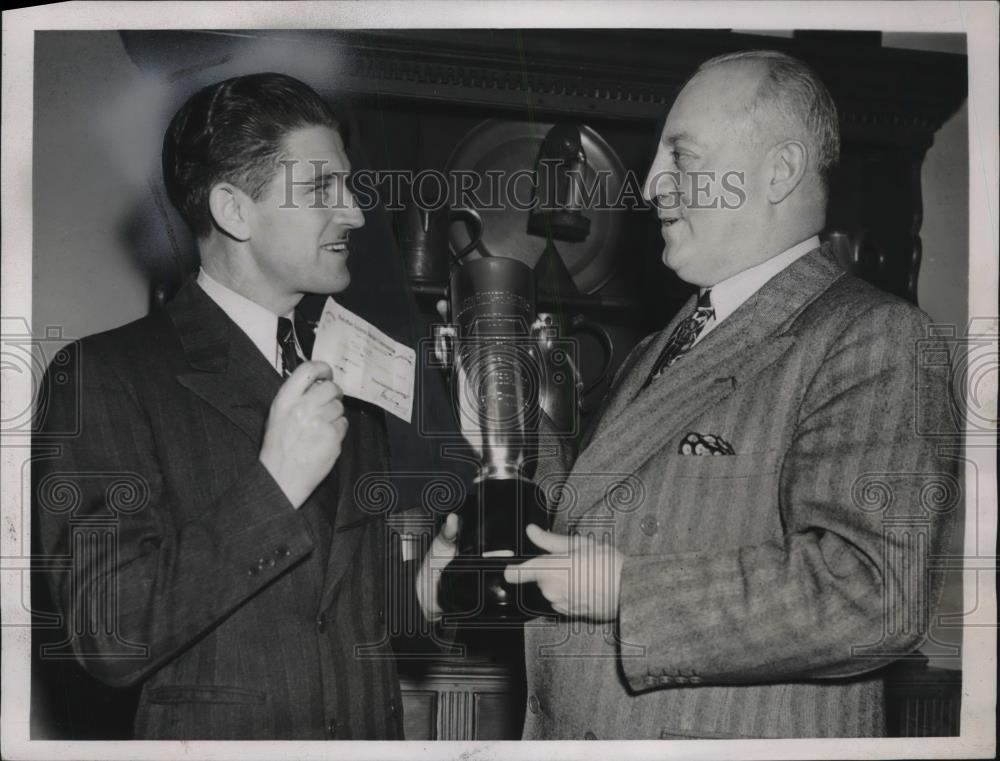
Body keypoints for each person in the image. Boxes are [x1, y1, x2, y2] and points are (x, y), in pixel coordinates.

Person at [419, 50, 958, 739]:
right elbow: (597, 514)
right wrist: (508, 421)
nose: (649, 186)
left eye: (683, 157)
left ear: (781, 170)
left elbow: (874, 590)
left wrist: (626, 591)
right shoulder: (661, 344)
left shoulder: (873, 335)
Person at [34, 73, 402, 740]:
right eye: (323, 188)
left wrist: (419, 592)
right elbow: (107, 634)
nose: (355, 212)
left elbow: (330, 609)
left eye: (348, 186)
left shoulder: (346, 384)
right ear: (234, 211)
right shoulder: (100, 377)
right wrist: (275, 484)